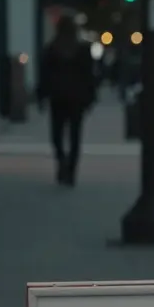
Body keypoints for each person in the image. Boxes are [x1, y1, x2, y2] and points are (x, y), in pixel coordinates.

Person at [37, 16, 97, 185]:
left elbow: (44, 75)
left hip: (58, 97)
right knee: (75, 135)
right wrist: (90, 97)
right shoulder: (83, 50)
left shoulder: (51, 49)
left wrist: (42, 95)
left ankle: (61, 162)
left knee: (57, 134)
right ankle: (71, 170)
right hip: (77, 97)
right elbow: (89, 75)